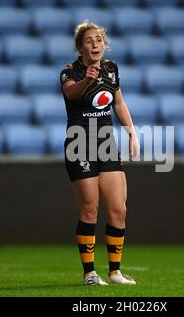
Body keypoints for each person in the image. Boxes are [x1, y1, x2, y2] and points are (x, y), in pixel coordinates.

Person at [60, 21, 140, 286]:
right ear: (80, 46)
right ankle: (89, 273)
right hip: (79, 142)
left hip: (106, 142)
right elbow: (71, 93)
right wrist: (86, 81)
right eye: (89, 41)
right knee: (90, 209)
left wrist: (131, 132)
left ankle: (115, 272)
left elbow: (118, 101)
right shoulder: (69, 72)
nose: (95, 44)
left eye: (99, 40)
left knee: (119, 209)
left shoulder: (111, 68)